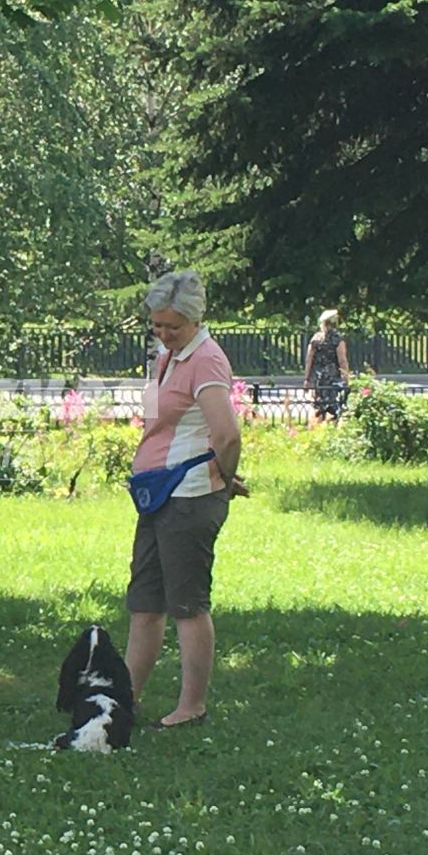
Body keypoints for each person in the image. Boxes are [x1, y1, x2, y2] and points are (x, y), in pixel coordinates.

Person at [124, 270, 247, 730]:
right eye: (156, 325)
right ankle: (126, 698)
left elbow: (226, 434)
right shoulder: (167, 356)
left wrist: (223, 477)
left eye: (172, 327)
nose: (163, 334)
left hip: (190, 497)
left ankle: (191, 705)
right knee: (145, 602)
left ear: (195, 321)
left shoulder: (206, 361)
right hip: (156, 495)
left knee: (187, 604)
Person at [303, 308, 352, 423]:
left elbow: (309, 359)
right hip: (332, 379)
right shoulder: (337, 339)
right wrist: (346, 378)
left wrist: (307, 379)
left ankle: (316, 427)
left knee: (318, 406)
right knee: (333, 406)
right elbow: (342, 361)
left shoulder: (315, 339)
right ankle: (331, 427)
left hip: (318, 379)